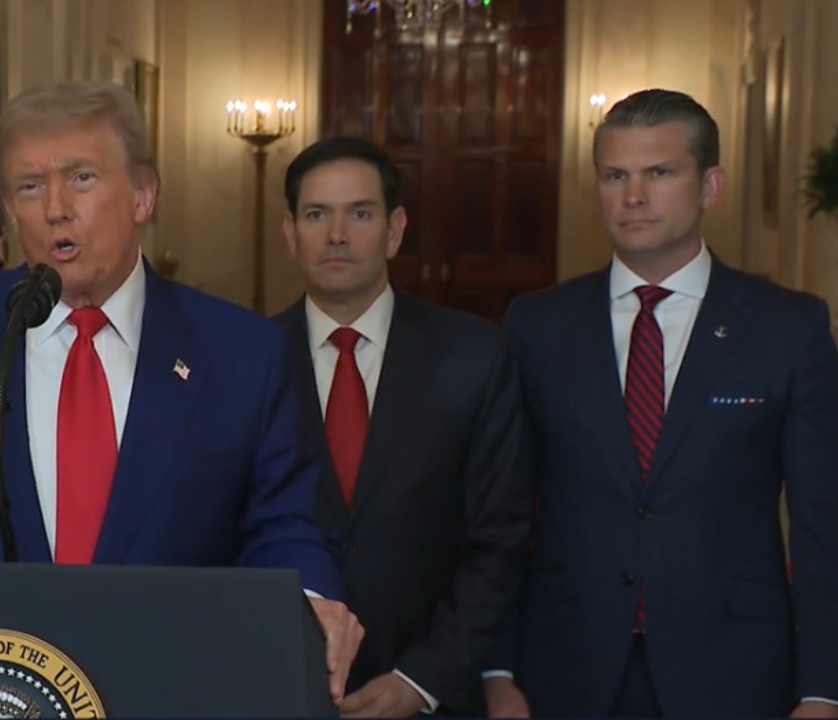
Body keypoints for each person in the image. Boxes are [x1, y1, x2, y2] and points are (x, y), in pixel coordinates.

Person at [0, 80, 364, 702]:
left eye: (82, 179)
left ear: (143, 195)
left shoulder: (242, 353)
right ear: (8, 213)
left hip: (173, 687)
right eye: (29, 187)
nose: (56, 209)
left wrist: (310, 607)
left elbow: (286, 524)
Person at [483, 89, 838, 718]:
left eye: (659, 173)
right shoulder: (538, 326)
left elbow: (822, 525)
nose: (634, 196)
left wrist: (822, 689)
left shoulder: (788, 328)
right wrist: (496, 667)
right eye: (615, 176)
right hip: (564, 666)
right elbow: (501, 513)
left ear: (710, 187)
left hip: (733, 670)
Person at [272, 137, 533, 717]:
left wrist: (421, 679)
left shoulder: (474, 357)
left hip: (433, 690)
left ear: (394, 230)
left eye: (360, 214)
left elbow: (499, 541)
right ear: (290, 232)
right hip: (285, 688)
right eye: (316, 215)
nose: (337, 235)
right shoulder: (247, 360)